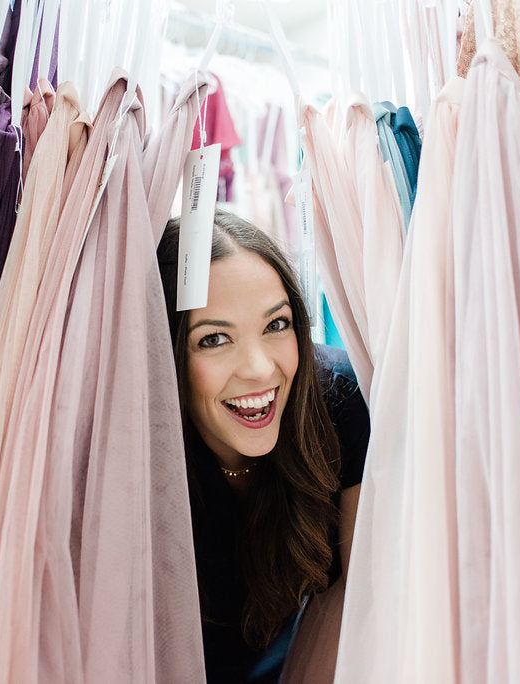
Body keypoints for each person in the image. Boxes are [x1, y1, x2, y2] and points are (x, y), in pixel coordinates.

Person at [157, 210, 368, 683]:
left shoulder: (340, 405)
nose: (258, 368)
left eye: (276, 325)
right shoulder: (140, 458)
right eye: (214, 338)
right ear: (166, 352)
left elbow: (368, 605)